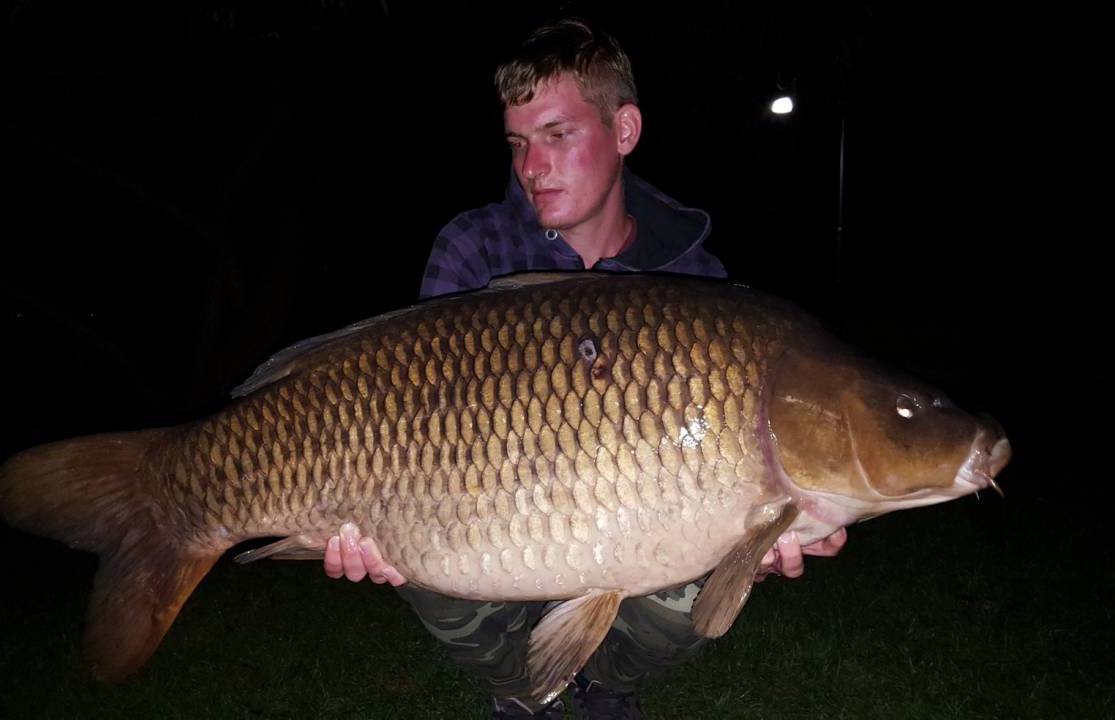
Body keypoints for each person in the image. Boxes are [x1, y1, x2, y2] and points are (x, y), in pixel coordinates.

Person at [322, 18, 847, 719]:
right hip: (492, 520)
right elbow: (419, 414)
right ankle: (522, 690)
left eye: (558, 135)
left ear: (624, 130)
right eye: (518, 143)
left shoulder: (694, 281)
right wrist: (367, 519)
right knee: (418, 546)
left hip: (633, 538)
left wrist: (767, 536)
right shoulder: (474, 250)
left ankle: (603, 690)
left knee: (703, 571)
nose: (531, 167)